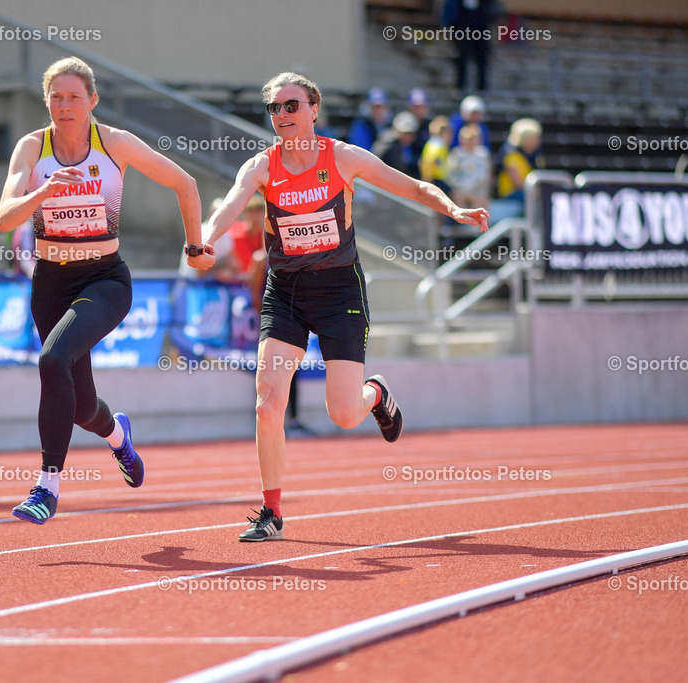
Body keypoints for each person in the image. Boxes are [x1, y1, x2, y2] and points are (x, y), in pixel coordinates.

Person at [198, 72, 488, 542]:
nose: (282, 116)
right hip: (286, 291)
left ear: (314, 109)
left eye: (291, 106)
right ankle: (271, 513)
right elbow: (230, 206)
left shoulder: (343, 157)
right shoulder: (262, 165)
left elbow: (412, 187)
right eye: (274, 108)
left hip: (340, 293)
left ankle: (376, 393)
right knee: (267, 406)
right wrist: (205, 241)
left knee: (345, 414)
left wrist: (453, 210)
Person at [0, 56, 207, 524]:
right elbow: (5, 218)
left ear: (92, 101)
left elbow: (185, 184)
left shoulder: (114, 145)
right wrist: (43, 193)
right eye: (56, 97)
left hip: (105, 280)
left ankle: (46, 487)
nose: (64, 106)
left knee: (52, 359)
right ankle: (119, 437)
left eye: (74, 97)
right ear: (46, 101)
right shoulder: (32, 148)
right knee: (81, 405)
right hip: (50, 282)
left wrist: (194, 247)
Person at [496, 117, 543, 203]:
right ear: (525, 138)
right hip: (511, 195)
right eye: (535, 137)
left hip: (525, 192)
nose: (538, 141)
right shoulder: (511, 154)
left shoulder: (534, 155)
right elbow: (518, 184)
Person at [448, 123, 492, 210]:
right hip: (460, 189)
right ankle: (461, 222)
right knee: (457, 197)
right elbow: (451, 174)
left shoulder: (483, 154)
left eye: (472, 139)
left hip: (477, 189)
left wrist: (472, 188)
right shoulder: (456, 154)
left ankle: (478, 223)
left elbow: (484, 176)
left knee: (481, 199)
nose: (470, 142)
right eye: (467, 139)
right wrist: (463, 187)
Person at [374, 111, 422, 179]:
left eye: (411, 133)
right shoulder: (388, 146)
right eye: (405, 133)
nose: (408, 136)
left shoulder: (414, 145)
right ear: (397, 131)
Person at [347, 87, 392, 151]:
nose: (378, 110)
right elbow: (360, 150)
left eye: (381, 106)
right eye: (375, 107)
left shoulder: (391, 124)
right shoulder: (361, 125)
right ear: (368, 107)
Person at [420, 116, 453, 193]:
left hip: (435, 179)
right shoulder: (439, 145)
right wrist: (428, 180)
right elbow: (430, 162)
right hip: (436, 180)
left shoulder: (431, 143)